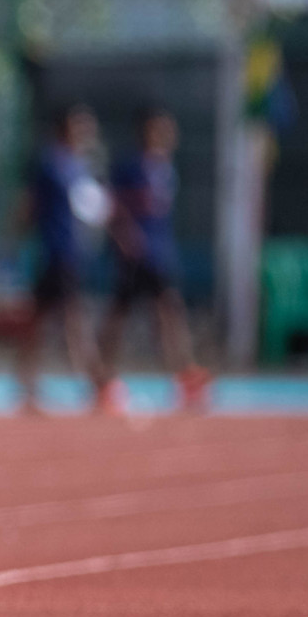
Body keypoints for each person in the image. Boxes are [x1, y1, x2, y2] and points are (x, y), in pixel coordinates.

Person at [97, 108, 211, 413]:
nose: (167, 135)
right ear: (145, 131)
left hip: (160, 255)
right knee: (120, 315)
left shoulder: (164, 168)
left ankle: (186, 375)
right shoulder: (130, 166)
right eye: (160, 128)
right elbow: (111, 206)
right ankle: (103, 378)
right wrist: (123, 237)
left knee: (169, 311)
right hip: (136, 255)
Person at [16, 104, 119, 416]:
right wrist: (12, 240)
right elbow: (29, 205)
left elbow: (91, 209)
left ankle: (30, 386)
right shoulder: (51, 164)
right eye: (80, 126)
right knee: (72, 321)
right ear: (65, 129)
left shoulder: (80, 167)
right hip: (55, 254)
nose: (87, 133)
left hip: (72, 254)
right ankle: (97, 385)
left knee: (42, 322)